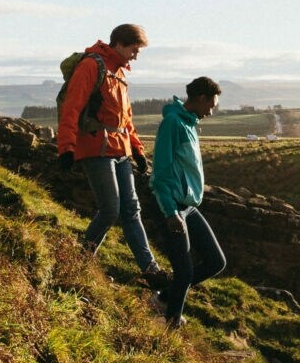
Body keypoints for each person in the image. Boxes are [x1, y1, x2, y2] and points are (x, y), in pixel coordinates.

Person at [57, 24, 165, 285]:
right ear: (119, 44)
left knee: (131, 209)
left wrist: (137, 150)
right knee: (110, 209)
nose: (135, 57)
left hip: (120, 149)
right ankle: (79, 260)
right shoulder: (91, 66)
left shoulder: (120, 72)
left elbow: (126, 119)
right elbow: (72, 107)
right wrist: (67, 148)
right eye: (134, 50)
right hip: (95, 147)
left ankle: (151, 270)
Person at [150, 76, 227, 327]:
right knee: (184, 272)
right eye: (211, 105)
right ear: (201, 98)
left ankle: (164, 298)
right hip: (172, 206)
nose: (211, 112)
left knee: (216, 261)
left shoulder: (190, 123)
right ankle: (170, 327)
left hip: (189, 207)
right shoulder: (173, 123)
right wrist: (170, 212)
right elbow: (160, 172)